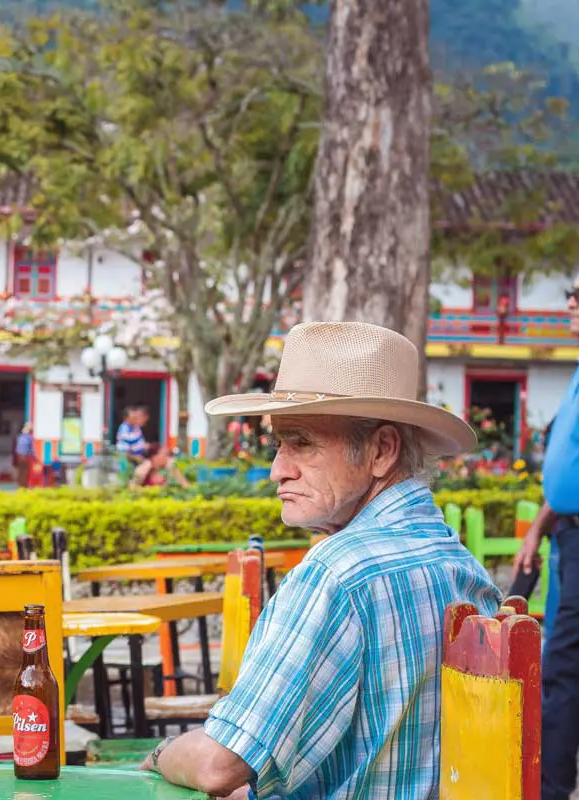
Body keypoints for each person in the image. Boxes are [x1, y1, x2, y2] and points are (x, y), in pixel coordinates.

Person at [142, 321, 499, 798]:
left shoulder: (336, 574)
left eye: (302, 443)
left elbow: (219, 764)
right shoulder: (460, 563)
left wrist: (158, 754)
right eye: (278, 444)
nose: (277, 470)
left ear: (381, 450)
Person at [515, 277, 579, 800]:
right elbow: (565, 475)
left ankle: (552, 790)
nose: (572, 303)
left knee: (560, 665)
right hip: (567, 539)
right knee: (560, 660)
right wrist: (537, 528)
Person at [15, 423, 35, 488]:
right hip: (26, 457)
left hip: (19, 456)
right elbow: (31, 449)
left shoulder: (20, 437)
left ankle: (20, 485)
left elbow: (17, 449)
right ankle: (24, 486)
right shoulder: (29, 438)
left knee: (20, 471)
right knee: (26, 472)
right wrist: (34, 457)